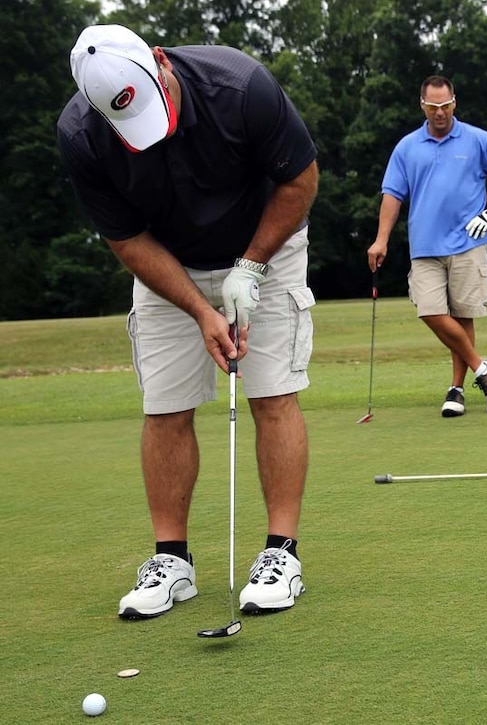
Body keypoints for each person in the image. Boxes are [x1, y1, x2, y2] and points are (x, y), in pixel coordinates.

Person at [57, 24, 318, 619]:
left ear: (159, 61)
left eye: (158, 101)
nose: (154, 127)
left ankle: (282, 555)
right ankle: (171, 563)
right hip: (167, 264)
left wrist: (250, 269)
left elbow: (300, 181)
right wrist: (201, 310)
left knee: (272, 392)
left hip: (265, 246)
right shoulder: (80, 133)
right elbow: (126, 238)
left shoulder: (240, 85)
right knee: (165, 406)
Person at [368, 75, 487, 417]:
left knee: (462, 315)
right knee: (430, 310)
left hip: (468, 242)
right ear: (422, 105)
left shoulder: (477, 139)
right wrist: (381, 239)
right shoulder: (407, 147)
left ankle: (456, 391)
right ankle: (484, 370)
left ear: (454, 102)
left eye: (445, 105)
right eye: (433, 106)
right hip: (424, 246)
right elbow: (392, 195)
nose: (439, 112)